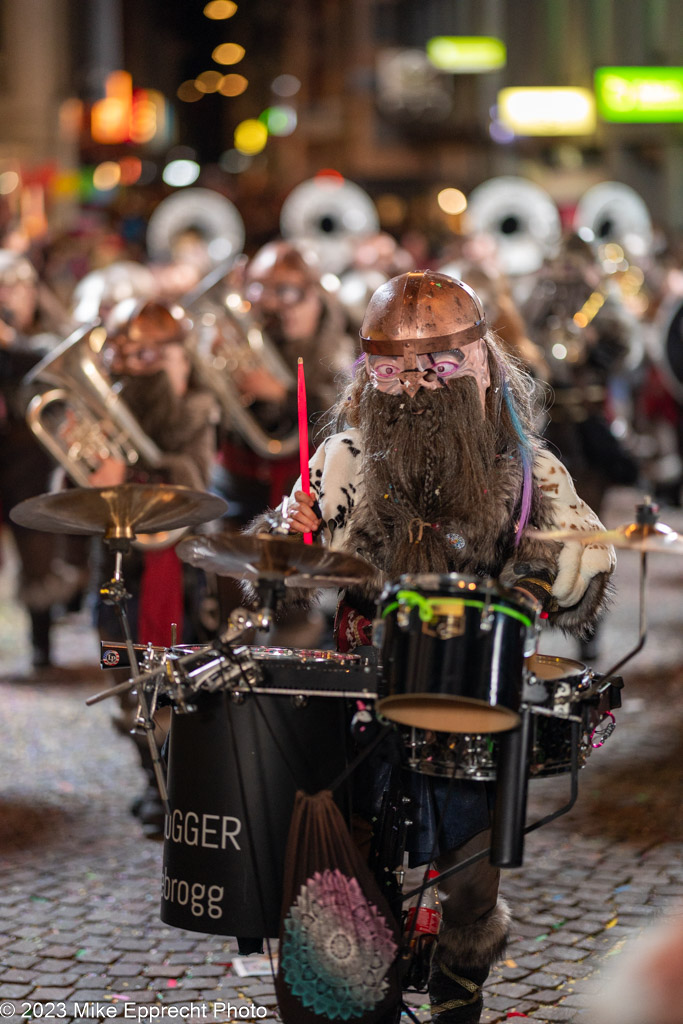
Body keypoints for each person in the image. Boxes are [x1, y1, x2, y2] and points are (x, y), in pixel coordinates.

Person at [250, 270, 616, 1024]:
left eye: (436, 368)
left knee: (470, 878)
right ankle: (355, 989)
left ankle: (458, 988)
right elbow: (276, 568)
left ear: (479, 365)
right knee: (347, 856)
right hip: (361, 685)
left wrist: (535, 587)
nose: (414, 387)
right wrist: (282, 540)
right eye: (391, 372)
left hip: (472, 690)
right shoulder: (345, 458)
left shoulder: (527, 469)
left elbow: (582, 562)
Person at [90, 298, 220, 835]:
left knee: (182, 666)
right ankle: (149, 774)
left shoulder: (198, 406)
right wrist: (103, 473)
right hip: (121, 562)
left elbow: (197, 480)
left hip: (179, 557)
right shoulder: (100, 410)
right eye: (140, 353)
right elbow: (63, 495)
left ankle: (178, 774)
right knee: (123, 668)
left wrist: (153, 460)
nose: (155, 364)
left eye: (164, 352)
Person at [207, 239, 356, 645]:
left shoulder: (339, 339)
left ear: (314, 293)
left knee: (292, 590)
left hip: (298, 482)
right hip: (239, 475)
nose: (274, 303)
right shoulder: (246, 329)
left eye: (288, 291)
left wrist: (281, 393)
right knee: (228, 573)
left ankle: (293, 645)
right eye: (261, 288)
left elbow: (344, 414)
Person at [0, 250, 86, 677]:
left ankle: (41, 644)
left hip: (29, 463)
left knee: (37, 556)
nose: (7, 295)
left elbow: (46, 367)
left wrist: (10, 342)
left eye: (14, 287)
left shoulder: (47, 337)